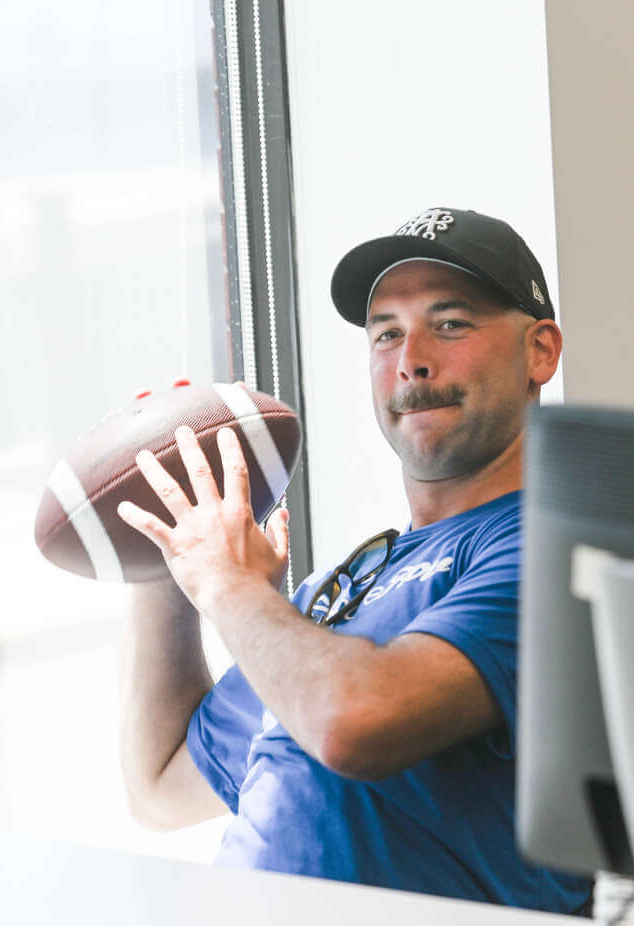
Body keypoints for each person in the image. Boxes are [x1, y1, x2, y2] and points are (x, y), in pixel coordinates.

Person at [115, 208, 593, 914]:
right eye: (387, 334)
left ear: (540, 351)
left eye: (450, 324)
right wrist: (172, 550)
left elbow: (355, 721)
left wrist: (230, 587)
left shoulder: (550, 549)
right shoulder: (337, 590)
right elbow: (159, 785)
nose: (412, 360)